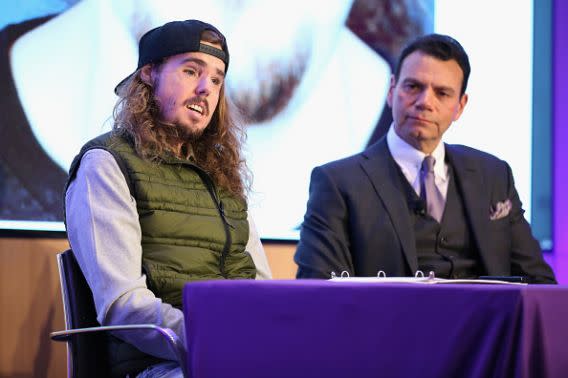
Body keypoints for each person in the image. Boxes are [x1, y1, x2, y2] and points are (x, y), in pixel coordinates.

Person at [65, 19, 272, 377]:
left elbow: (262, 286)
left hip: (241, 354)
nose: (206, 88)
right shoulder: (106, 164)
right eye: (192, 71)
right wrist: (217, 340)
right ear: (149, 74)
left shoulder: (223, 176)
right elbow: (124, 304)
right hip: (162, 364)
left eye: (218, 79)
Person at [294, 34, 556, 284]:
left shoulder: (494, 175)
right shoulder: (337, 183)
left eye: (442, 93)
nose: (424, 102)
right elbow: (320, 292)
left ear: (460, 106)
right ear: (391, 90)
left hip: (488, 328)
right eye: (413, 86)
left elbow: (539, 283)